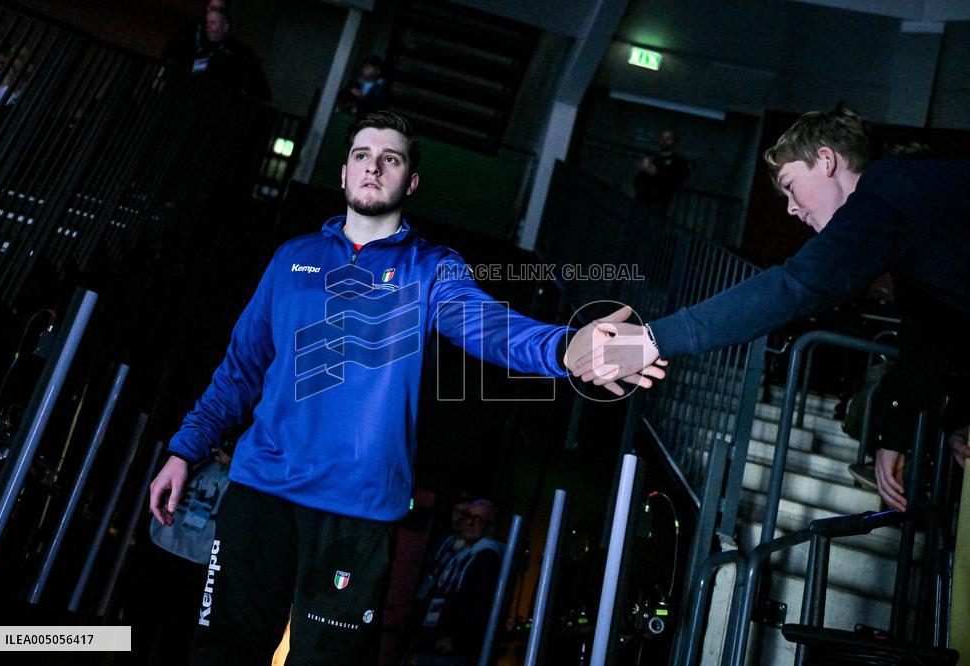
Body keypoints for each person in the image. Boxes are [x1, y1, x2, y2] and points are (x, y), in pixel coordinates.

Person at [149, 111, 655, 665]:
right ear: (343, 173)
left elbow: (492, 328)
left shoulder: (432, 270)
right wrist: (185, 448)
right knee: (220, 653)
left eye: (390, 159)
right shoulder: (292, 258)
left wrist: (563, 347)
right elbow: (241, 369)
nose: (373, 167)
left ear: (409, 182)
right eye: (362, 156)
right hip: (260, 492)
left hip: (357, 509)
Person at [571, 104, 970, 512]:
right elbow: (935, 338)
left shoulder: (889, 190)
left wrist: (653, 340)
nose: (791, 208)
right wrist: (935, 424)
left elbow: (795, 284)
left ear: (827, 160)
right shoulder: (910, 218)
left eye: (790, 184)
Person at [412, 499, 502, 665]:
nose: (469, 522)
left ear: (491, 527)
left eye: (478, 519)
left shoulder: (486, 557)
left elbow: (480, 603)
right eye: (467, 516)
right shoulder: (455, 551)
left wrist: (457, 639)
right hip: (431, 638)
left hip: (450, 648)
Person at [163, 5, 270, 102]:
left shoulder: (238, 51)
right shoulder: (200, 45)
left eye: (213, 23)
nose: (208, 27)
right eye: (208, 23)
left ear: (225, 26)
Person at [632, 128, 689, 211]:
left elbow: (673, 182)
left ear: (674, 142)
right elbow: (638, 180)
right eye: (662, 138)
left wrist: (653, 172)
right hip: (640, 201)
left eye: (668, 139)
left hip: (657, 204)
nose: (664, 141)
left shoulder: (678, 162)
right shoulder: (654, 159)